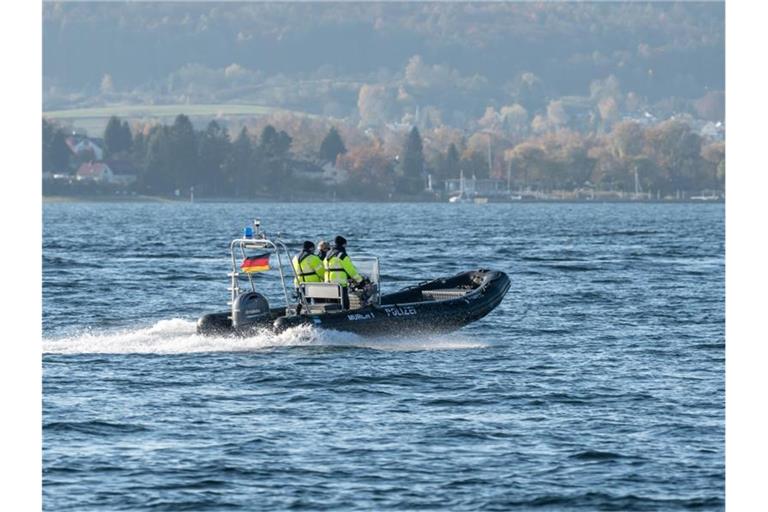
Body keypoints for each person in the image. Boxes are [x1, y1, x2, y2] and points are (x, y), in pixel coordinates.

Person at [324, 235, 364, 309]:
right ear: (343, 244)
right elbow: (351, 270)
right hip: (340, 283)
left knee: (333, 302)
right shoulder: (342, 255)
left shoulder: (328, 255)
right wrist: (360, 280)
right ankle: (345, 314)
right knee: (344, 303)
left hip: (328, 283)